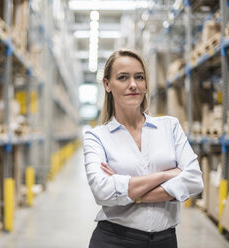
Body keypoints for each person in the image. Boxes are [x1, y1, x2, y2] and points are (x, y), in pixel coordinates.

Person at [83, 49, 204, 248]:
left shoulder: (170, 126)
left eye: (139, 77)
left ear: (146, 84)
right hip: (114, 240)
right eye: (123, 77)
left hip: (165, 241)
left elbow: (194, 180)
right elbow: (103, 192)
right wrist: (165, 175)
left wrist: (128, 190)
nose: (133, 85)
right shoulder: (96, 137)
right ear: (107, 85)